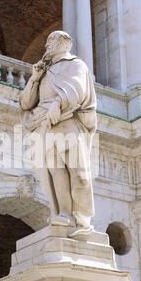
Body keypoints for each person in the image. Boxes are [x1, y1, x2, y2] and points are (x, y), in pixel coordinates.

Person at [19, 31, 97, 237]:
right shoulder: (43, 72)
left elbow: (78, 90)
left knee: (78, 172)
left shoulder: (76, 64)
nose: (47, 46)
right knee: (55, 171)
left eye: (51, 41)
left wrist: (58, 103)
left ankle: (83, 220)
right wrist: (34, 79)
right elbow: (26, 103)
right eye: (47, 42)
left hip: (68, 121)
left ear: (65, 43)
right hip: (44, 123)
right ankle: (64, 213)